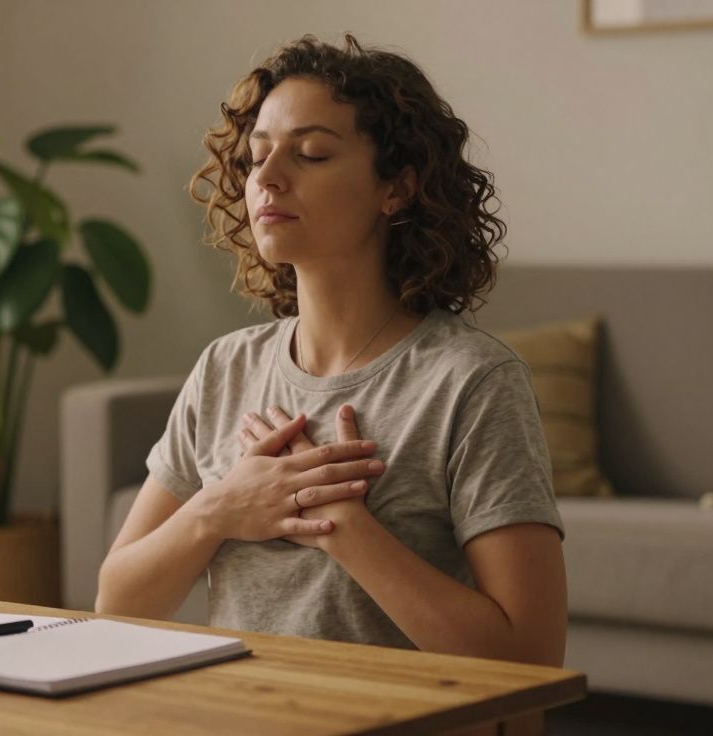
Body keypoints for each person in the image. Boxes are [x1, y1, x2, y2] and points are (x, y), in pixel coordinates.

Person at [95, 34, 567, 668]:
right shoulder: (225, 367)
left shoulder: (471, 381)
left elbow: (531, 656)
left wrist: (344, 527)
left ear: (395, 188)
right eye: (257, 157)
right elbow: (115, 603)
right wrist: (219, 509)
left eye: (311, 154)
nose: (267, 177)